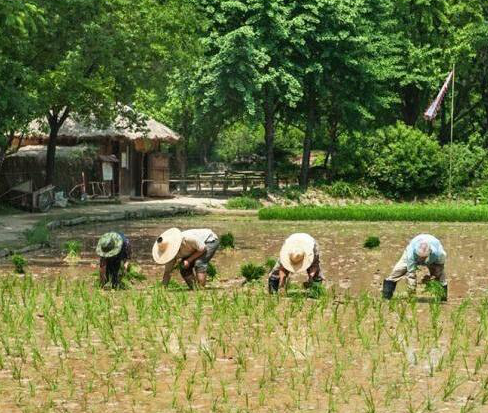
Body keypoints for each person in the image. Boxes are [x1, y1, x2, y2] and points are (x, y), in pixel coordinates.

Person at [382, 234, 447, 300]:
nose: (421, 260)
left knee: (441, 276)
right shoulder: (411, 254)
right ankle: (386, 295)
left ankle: (442, 296)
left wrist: (431, 278)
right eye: (420, 257)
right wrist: (411, 290)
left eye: (423, 258)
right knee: (397, 271)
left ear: (430, 253)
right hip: (412, 254)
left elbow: (439, 268)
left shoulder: (440, 254)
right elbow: (411, 273)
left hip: (433, 258)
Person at [152, 227, 220, 289]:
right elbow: (167, 272)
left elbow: (203, 249)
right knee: (183, 267)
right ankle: (195, 288)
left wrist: (189, 260)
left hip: (209, 241)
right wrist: (163, 288)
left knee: (199, 263)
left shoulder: (188, 239)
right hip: (195, 248)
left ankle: (201, 289)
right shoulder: (170, 254)